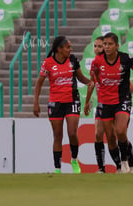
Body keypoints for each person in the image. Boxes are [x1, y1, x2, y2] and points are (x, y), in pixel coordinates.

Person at [84, 33, 133, 173]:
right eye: (104, 44)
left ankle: (125, 162)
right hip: (105, 103)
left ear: (117, 46)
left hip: (122, 100)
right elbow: (95, 82)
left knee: (120, 131)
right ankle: (119, 166)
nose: (106, 47)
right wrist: (87, 101)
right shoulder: (97, 62)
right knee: (110, 137)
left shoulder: (126, 59)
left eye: (109, 44)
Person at [33, 36, 94, 174]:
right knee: (57, 136)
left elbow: (80, 77)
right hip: (55, 103)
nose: (70, 49)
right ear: (59, 49)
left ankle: (74, 159)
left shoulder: (72, 60)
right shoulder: (48, 63)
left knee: (72, 133)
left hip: (72, 100)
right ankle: (58, 169)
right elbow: (39, 83)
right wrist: (35, 103)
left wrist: (89, 82)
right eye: (68, 47)